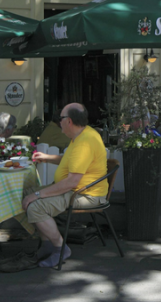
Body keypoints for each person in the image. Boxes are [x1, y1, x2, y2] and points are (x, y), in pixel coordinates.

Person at [23, 103, 108, 268]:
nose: (57, 122)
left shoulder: (85, 142)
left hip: (84, 194)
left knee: (35, 205)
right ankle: (47, 245)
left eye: (60, 118)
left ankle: (60, 248)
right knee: (25, 193)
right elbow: (71, 161)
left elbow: (71, 182)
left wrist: (38, 195)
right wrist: (47, 157)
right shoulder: (81, 135)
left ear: (68, 121)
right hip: (74, 189)